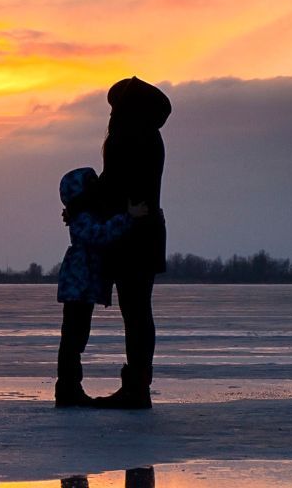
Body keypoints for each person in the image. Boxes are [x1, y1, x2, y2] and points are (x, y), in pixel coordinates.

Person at [91, 76, 170, 409]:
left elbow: (114, 185)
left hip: (133, 234)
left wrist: (85, 201)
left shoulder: (131, 138)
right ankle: (138, 383)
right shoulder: (148, 137)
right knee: (137, 310)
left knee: (135, 310)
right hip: (143, 231)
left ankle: (137, 387)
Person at [54, 167, 148, 407]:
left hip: (82, 287)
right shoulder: (82, 217)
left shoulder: (84, 214)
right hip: (78, 287)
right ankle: (67, 387)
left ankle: (70, 386)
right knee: (73, 338)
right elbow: (100, 235)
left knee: (76, 337)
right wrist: (128, 217)